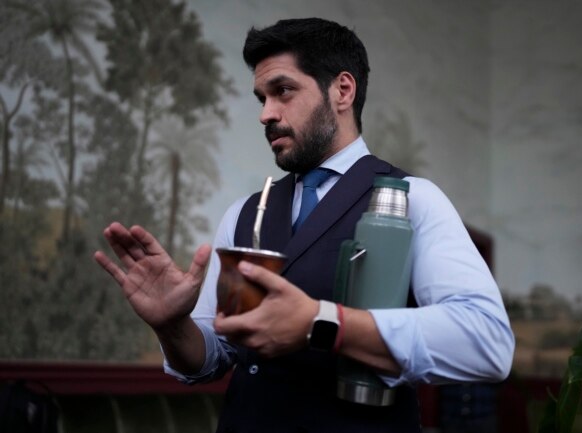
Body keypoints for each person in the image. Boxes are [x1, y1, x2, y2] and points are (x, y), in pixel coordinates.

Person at [94, 17, 514, 433]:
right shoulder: (243, 214)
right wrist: (172, 325)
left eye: (283, 91)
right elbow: (212, 356)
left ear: (342, 91)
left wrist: (321, 321)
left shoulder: (413, 199)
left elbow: (486, 341)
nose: (266, 114)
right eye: (262, 98)